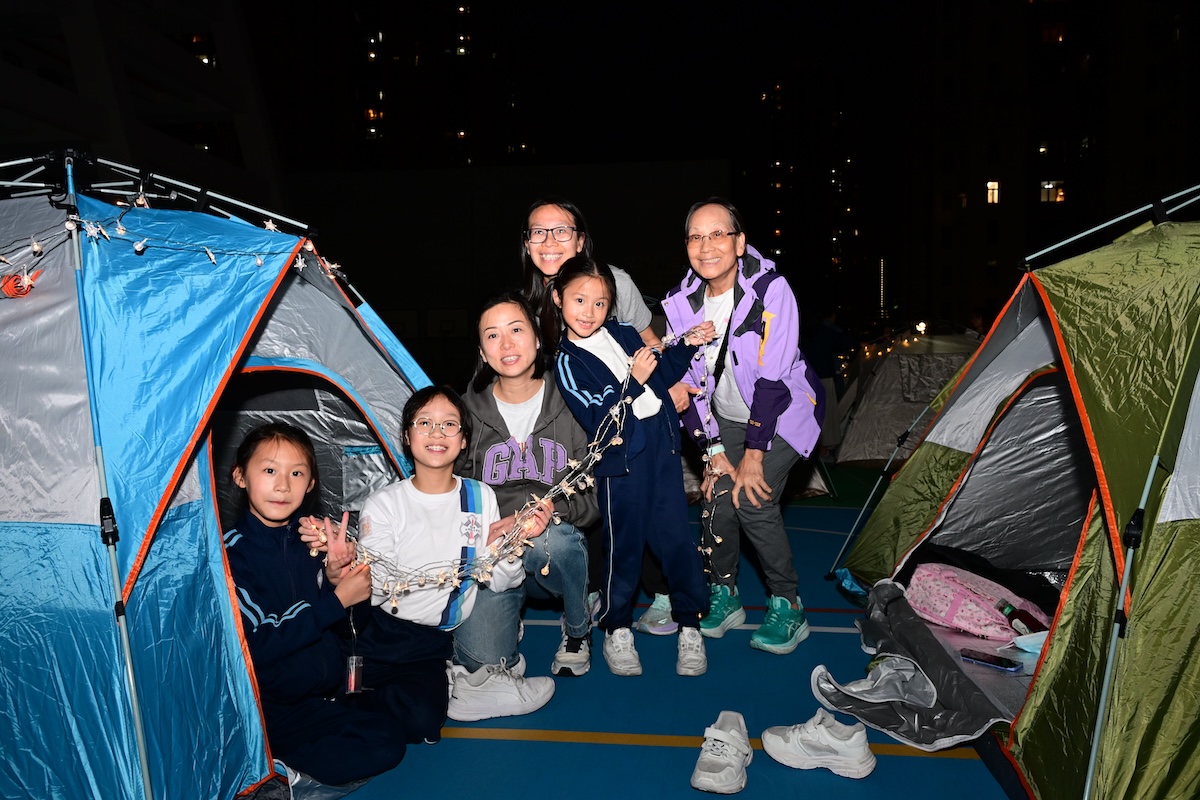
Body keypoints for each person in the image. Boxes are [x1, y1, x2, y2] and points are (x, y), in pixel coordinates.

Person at [661, 197, 824, 655]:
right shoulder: (681, 303)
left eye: (718, 234)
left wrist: (754, 454)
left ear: (739, 242)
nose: (706, 246)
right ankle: (725, 592)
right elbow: (691, 384)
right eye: (696, 237)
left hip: (785, 411)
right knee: (716, 495)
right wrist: (713, 451)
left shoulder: (771, 290)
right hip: (726, 415)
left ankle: (788, 604)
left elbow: (773, 380)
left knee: (752, 498)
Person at [550, 256, 715, 677]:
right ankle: (617, 627)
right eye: (579, 300)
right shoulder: (567, 361)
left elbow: (660, 372)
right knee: (623, 548)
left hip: (662, 451)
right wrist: (633, 380)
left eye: (600, 303)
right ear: (558, 298)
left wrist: (687, 345)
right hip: (621, 463)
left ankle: (690, 624)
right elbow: (598, 418)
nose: (589, 311)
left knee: (677, 541)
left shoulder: (623, 333)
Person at [519, 196, 676, 635]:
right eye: (538, 232)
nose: (549, 241)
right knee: (589, 501)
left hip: (623, 407)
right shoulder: (530, 297)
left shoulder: (613, 281)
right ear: (527, 243)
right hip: (568, 410)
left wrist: (671, 387)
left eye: (561, 231)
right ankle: (593, 588)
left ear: (581, 241)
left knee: (633, 495)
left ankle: (662, 589)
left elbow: (648, 339)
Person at [352, 385, 555, 723]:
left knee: (487, 647)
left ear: (463, 441)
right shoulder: (384, 504)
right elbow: (377, 591)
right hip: (402, 631)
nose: (437, 433)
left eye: (449, 424)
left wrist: (507, 546)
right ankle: (461, 681)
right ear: (406, 436)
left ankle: (475, 669)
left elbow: (503, 583)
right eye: (425, 423)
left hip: (459, 621)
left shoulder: (479, 495)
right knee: (415, 717)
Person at [223, 422, 407, 787]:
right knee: (370, 746)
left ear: (310, 485)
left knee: (393, 734)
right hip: (267, 709)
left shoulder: (312, 541)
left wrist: (338, 577)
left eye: (296, 473)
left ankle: (277, 767)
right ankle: (269, 767)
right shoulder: (231, 554)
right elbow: (255, 643)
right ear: (241, 476)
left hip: (320, 695)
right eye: (269, 470)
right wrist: (335, 600)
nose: (282, 485)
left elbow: (350, 627)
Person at [455, 290, 598, 685]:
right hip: (493, 555)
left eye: (516, 330)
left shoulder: (573, 401)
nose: (506, 344)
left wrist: (549, 512)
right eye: (493, 335)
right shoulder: (465, 413)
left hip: (550, 547)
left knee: (558, 542)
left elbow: (593, 499)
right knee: (480, 663)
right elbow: (452, 491)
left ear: (537, 338)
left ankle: (577, 627)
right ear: (482, 352)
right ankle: (506, 617)